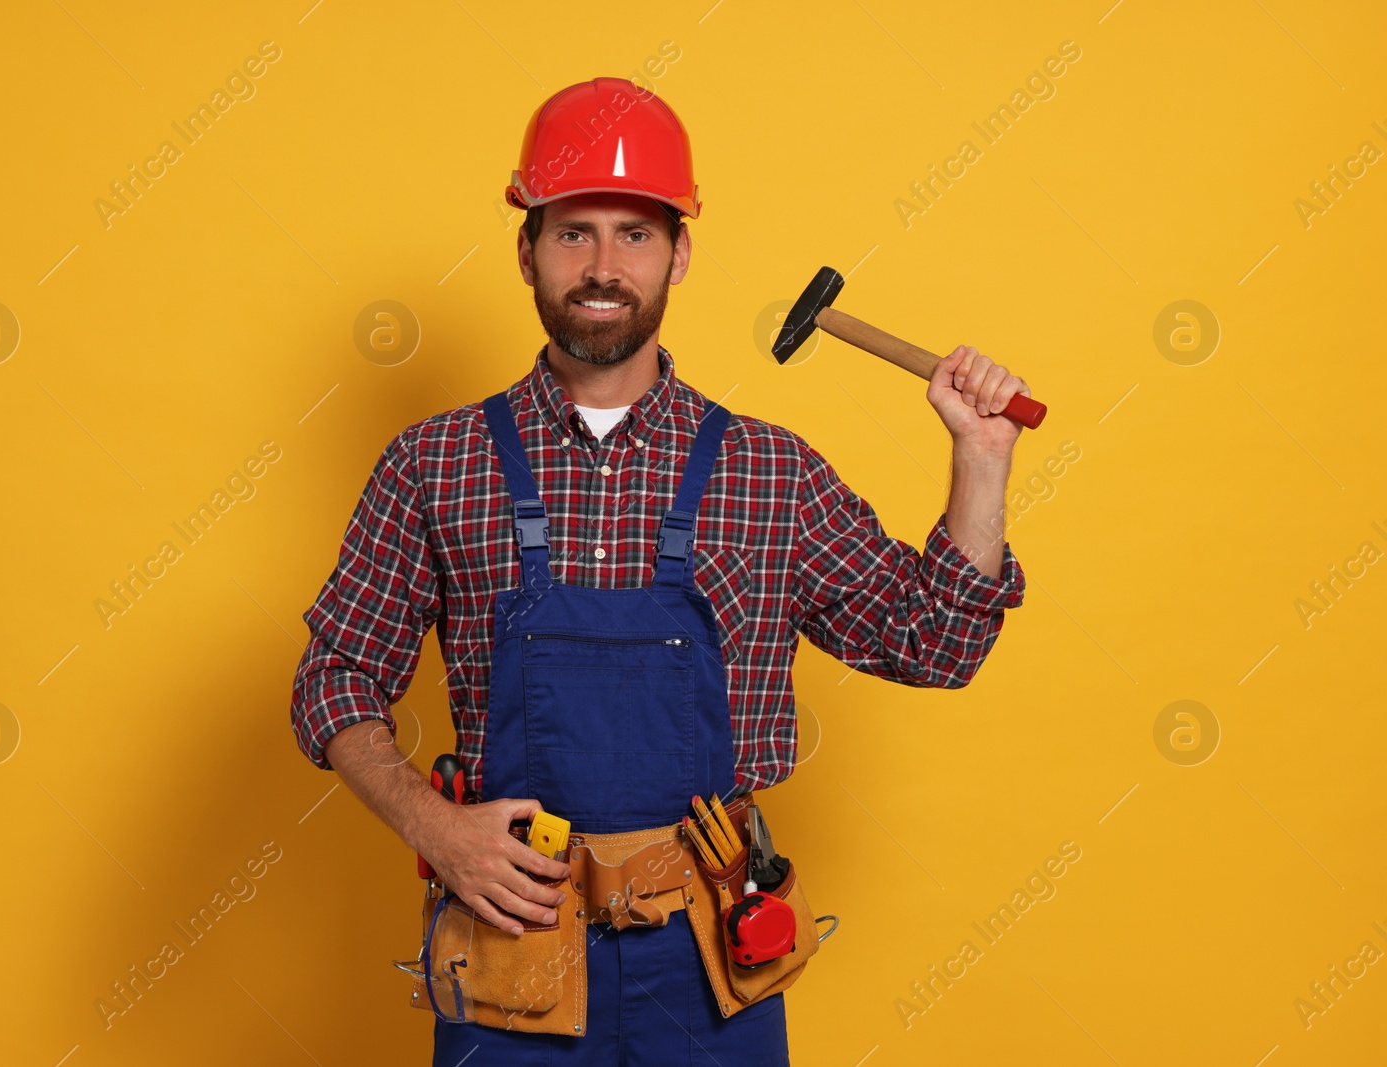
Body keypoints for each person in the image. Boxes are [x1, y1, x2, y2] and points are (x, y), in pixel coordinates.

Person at [291, 76, 1029, 1065]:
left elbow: (935, 644)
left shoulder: (772, 471)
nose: (603, 264)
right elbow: (334, 674)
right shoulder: (436, 463)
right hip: (512, 937)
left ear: (681, 252)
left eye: (635, 233)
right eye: (573, 232)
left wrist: (980, 460)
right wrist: (436, 824)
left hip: (712, 951)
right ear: (526, 250)